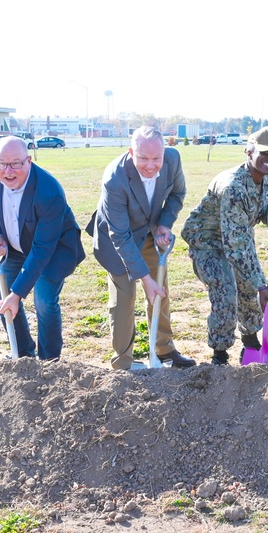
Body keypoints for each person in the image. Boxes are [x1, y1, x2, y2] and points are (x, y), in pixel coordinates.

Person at [90, 126, 195, 369]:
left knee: (160, 291)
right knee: (124, 297)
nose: (150, 165)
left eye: (156, 158)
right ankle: (124, 362)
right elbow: (121, 236)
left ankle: (164, 350)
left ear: (164, 152)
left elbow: (178, 193)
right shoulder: (114, 179)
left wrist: (165, 225)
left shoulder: (172, 159)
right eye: (143, 158)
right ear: (131, 152)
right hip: (116, 239)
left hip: (150, 230)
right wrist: (145, 280)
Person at [182, 127, 268, 366]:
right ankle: (219, 356)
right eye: (264, 153)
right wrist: (261, 284)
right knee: (227, 293)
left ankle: (250, 344)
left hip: (237, 236)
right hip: (208, 242)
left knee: (248, 291)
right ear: (249, 151)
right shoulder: (233, 188)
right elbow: (235, 246)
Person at [0, 136, 86, 360]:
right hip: (16, 248)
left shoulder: (49, 191)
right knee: (3, 297)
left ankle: (49, 362)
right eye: (2, 163)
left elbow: (42, 249)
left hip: (53, 250)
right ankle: (23, 356)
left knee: (44, 301)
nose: (8, 171)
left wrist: (17, 294)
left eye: (16, 163)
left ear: (28, 161)